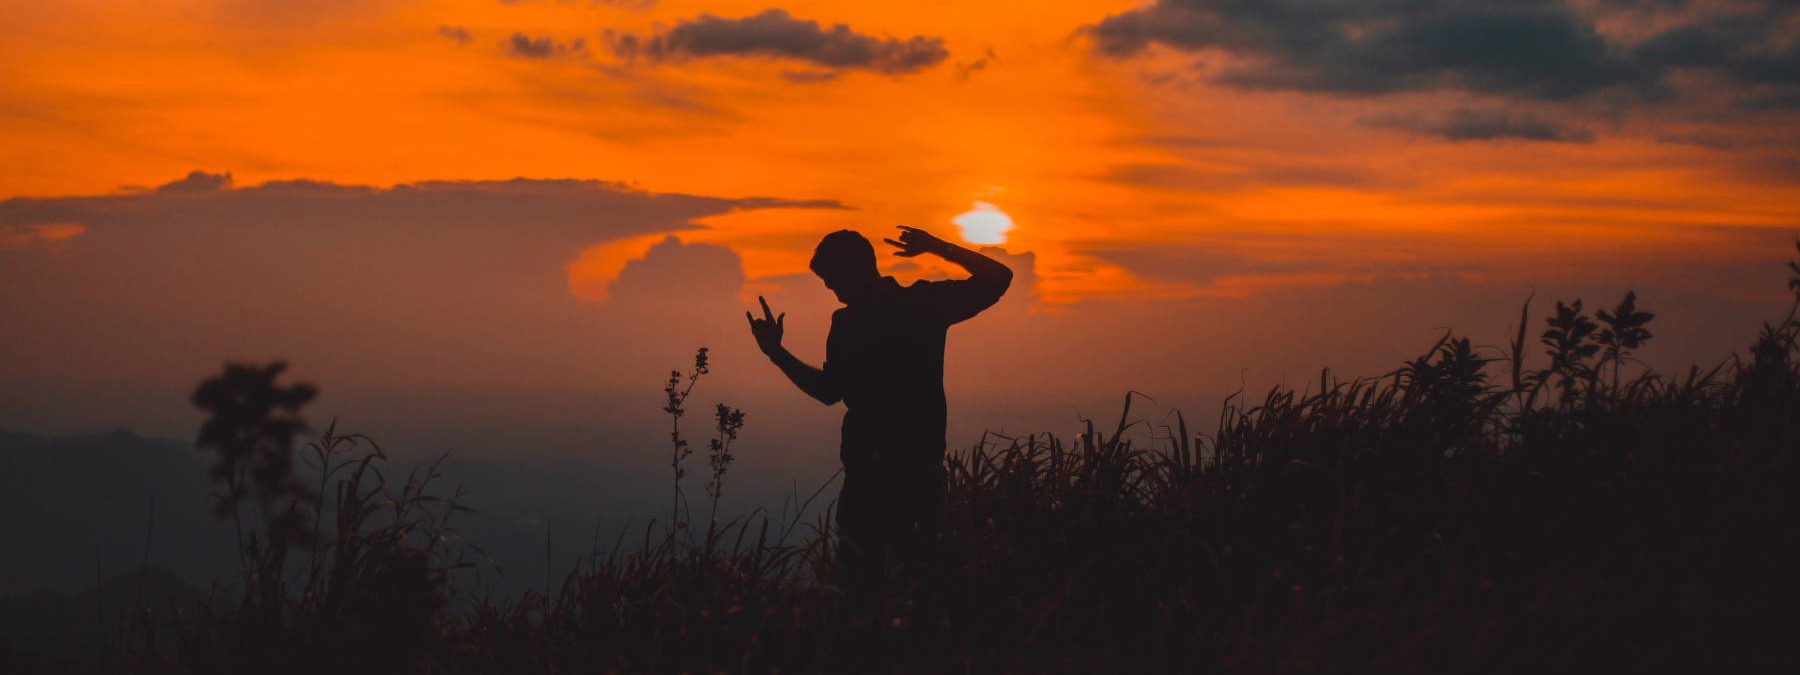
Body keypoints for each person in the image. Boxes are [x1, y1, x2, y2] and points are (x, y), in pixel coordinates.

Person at [747, 226, 1012, 574]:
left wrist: (776, 354)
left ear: (856, 271)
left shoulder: (859, 320)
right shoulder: (922, 305)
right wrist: (935, 247)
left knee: (864, 586)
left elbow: (828, 392)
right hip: (910, 476)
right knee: (915, 580)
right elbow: (998, 278)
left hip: (874, 484)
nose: (833, 291)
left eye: (833, 280)